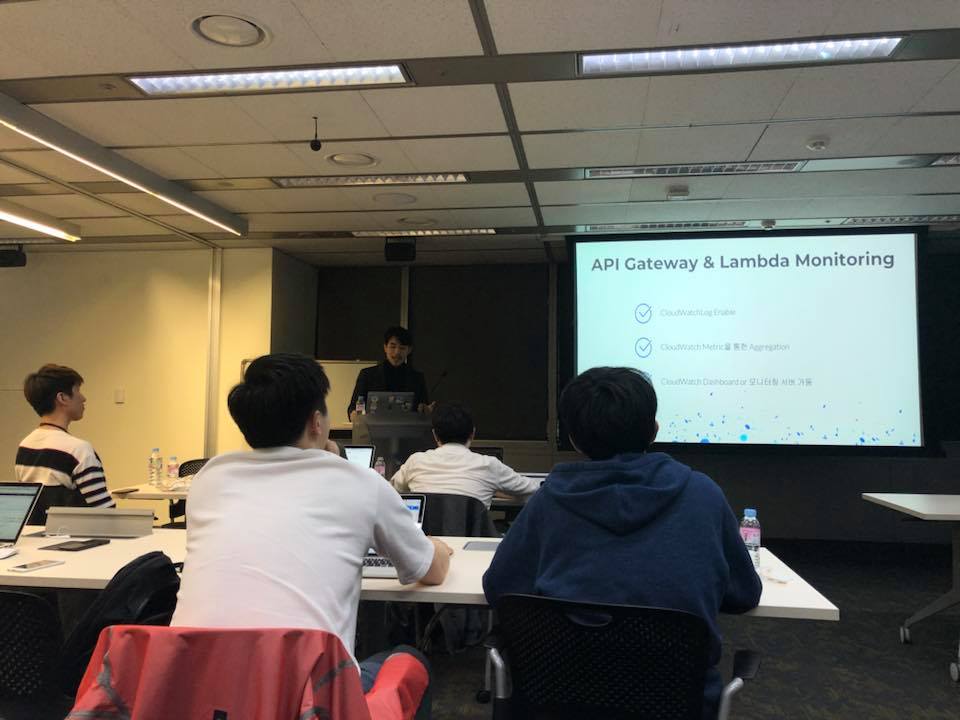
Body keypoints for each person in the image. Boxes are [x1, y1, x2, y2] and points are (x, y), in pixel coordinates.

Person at [172, 353, 452, 703]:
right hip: (307, 699)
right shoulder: (360, 483)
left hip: (197, 692)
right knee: (410, 660)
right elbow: (430, 570)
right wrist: (440, 547)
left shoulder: (209, 478)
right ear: (316, 422)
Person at [482, 367, 761, 718]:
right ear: (654, 429)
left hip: (560, 704)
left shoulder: (548, 500)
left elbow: (499, 587)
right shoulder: (703, 495)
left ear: (574, 439)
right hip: (674, 707)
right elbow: (744, 593)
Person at [391, 403, 540, 508]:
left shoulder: (415, 461)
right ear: (472, 433)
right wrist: (497, 490)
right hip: (471, 543)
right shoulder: (489, 465)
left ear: (435, 435)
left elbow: (391, 491)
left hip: (426, 542)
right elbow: (536, 490)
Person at [15, 364, 114, 516]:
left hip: (38, 531)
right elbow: (106, 515)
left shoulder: (25, 446)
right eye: (78, 391)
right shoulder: (78, 450)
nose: (83, 398)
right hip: (76, 531)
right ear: (62, 398)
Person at [349, 326, 430, 420]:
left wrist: (425, 410)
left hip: (406, 428)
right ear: (385, 347)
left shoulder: (417, 378)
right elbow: (353, 407)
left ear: (409, 350)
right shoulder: (367, 375)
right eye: (393, 346)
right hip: (374, 428)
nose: (397, 352)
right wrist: (354, 414)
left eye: (402, 348)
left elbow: (424, 406)